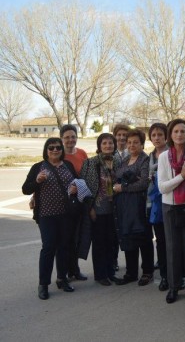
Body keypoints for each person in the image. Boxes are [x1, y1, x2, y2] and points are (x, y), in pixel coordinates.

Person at [22, 138, 79, 299]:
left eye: (58, 148)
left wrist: (75, 188)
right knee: (48, 248)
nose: (55, 150)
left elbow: (77, 182)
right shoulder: (38, 167)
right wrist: (37, 181)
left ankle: (62, 279)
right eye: (51, 148)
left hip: (66, 214)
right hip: (46, 215)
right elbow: (25, 189)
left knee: (64, 247)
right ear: (46, 150)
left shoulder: (67, 165)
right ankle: (43, 284)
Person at [158, 119, 185, 304]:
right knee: (172, 248)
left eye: (183, 131)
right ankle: (174, 286)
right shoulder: (164, 157)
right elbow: (163, 187)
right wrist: (181, 176)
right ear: (170, 134)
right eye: (176, 131)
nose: (180, 135)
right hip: (170, 207)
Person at [112, 129, 153, 286]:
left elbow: (143, 183)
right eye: (129, 142)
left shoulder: (144, 160)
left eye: (135, 142)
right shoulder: (125, 160)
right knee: (128, 236)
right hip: (123, 205)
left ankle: (147, 271)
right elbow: (117, 177)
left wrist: (123, 187)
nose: (131, 145)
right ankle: (131, 272)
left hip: (139, 204)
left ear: (142, 144)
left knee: (143, 237)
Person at [80, 133, 119, 286]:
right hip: (97, 209)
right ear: (99, 146)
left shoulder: (118, 161)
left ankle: (111, 272)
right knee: (99, 243)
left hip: (114, 209)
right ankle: (100, 274)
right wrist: (89, 208)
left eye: (110, 143)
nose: (108, 146)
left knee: (112, 242)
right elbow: (84, 188)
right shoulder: (90, 163)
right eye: (104, 143)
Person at [60, 124, 89, 282]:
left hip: (80, 200)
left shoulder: (82, 153)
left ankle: (74, 270)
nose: (70, 140)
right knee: (65, 239)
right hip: (64, 202)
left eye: (73, 136)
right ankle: (63, 272)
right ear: (62, 139)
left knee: (77, 237)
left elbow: (87, 174)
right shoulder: (58, 154)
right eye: (67, 137)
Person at [146, 123, 169, 291]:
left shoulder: (171, 153)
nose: (157, 138)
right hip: (154, 203)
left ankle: (179, 274)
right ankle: (165, 276)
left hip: (169, 201)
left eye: (160, 134)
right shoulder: (150, 156)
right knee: (160, 241)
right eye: (153, 135)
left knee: (172, 241)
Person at [111, 123, 130, 272]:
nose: (122, 138)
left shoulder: (132, 153)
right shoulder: (110, 154)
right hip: (113, 196)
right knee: (113, 232)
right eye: (119, 135)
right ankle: (113, 260)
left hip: (129, 196)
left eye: (125, 135)